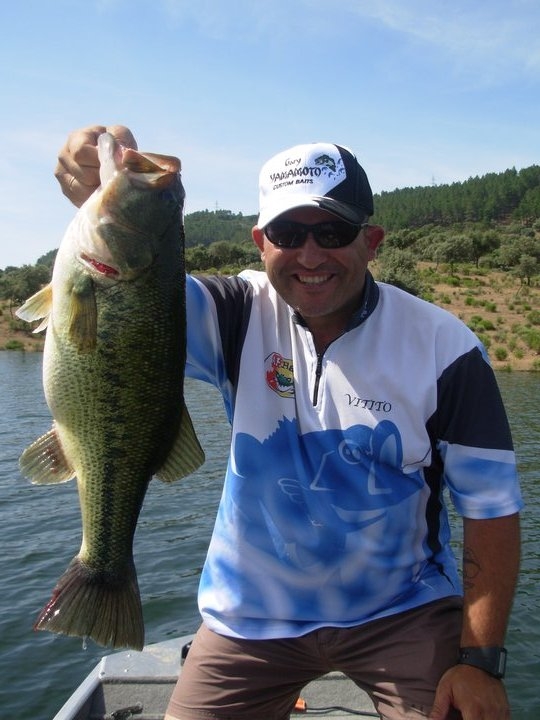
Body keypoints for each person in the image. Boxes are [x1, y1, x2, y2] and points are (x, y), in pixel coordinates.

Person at [55, 125, 522, 720]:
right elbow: (136, 292)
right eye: (287, 232)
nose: (309, 254)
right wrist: (93, 175)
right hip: (250, 614)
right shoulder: (232, 312)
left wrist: (479, 661)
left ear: (371, 240)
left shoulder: (445, 348)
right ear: (259, 242)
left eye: (332, 231)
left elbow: (491, 509)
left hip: (401, 609)